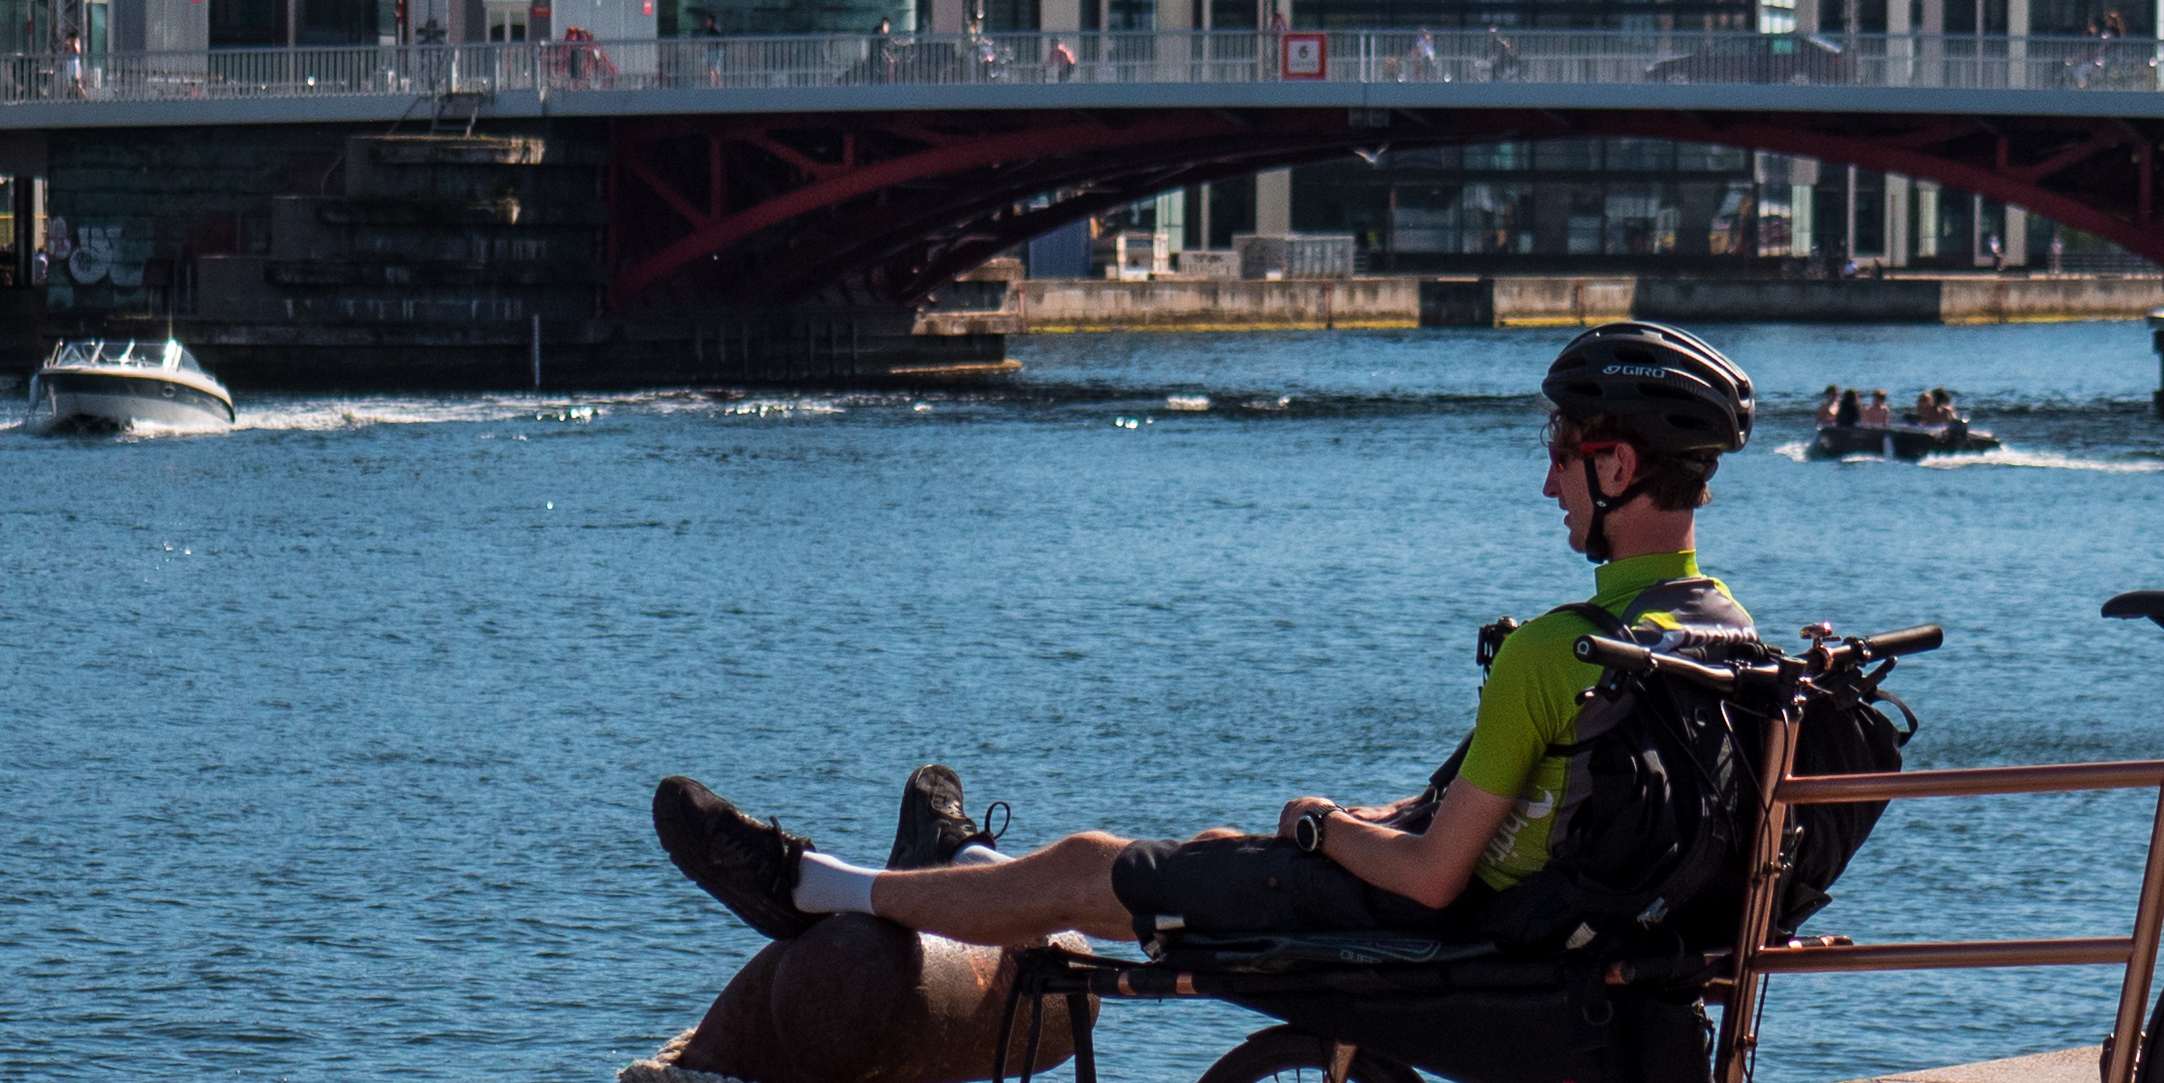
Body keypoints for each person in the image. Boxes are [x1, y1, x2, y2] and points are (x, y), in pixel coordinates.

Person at [651, 324, 1765, 954]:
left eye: (1564, 456)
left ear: (1617, 469)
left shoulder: (1556, 652)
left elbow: (1430, 880)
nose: (1546, 481)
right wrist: (1351, 827)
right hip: (1567, 925)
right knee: (1212, 848)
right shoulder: (1724, 638)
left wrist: (1330, 831)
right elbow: (1532, 818)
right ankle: (967, 873)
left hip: (1454, 941)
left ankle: (809, 888)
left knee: (1095, 866)